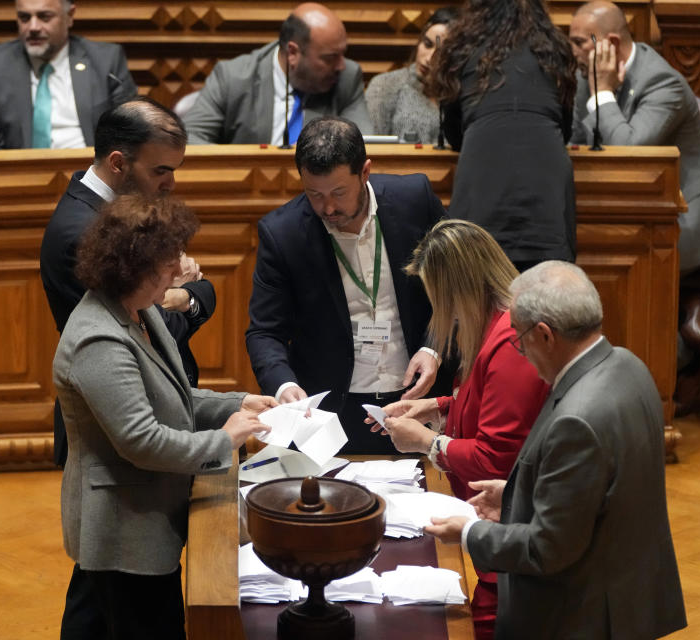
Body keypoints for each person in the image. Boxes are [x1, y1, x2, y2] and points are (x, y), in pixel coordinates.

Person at [425, 261, 687, 639]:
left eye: (519, 338)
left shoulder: (577, 420)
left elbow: (547, 549)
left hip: (580, 616)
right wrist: (516, 495)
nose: (519, 351)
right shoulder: (629, 366)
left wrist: (470, 532)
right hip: (627, 595)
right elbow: (601, 494)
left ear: (545, 335)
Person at [54, 193, 274, 640]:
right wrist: (224, 441)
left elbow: (173, 396)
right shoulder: (98, 338)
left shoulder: (139, 312)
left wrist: (238, 404)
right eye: (167, 262)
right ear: (132, 268)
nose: (179, 271)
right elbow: (141, 439)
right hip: (123, 532)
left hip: (147, 517)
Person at [371, 220, 548, 640]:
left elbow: (495, 460)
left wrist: (428, 443)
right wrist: (435, 406)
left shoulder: (509, 342)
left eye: (440, 297)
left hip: (508, 540)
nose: (440, 312)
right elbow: (487, 406)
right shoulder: (493, 326)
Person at [246, 116, 451, 455]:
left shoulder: (414, 200)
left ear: (365, 171)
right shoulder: (282, 234)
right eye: (314, 194)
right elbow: (264, 332)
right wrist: (284, 385)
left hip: (418, 406)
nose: (327, 207)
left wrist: (434, 347)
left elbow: (459, 287)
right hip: (333, 416)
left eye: (339, 193)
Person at [568, 0, 700, 414]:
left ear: (610, 43)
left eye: (577, 43)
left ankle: (669, 361)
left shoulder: (664, 84)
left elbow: (627, 153)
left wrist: (603, 92)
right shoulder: (587, 72)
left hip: (686, 218)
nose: (570, 51)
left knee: (624, 261)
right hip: (629, 205)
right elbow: (578, 134)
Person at [41, 97, 216, 466]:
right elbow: (156, 329)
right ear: (118, 162)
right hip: (116, 429)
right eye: (160, 171)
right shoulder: (84, 233)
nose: (171, 183)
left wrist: (179, 296)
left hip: (148, 406)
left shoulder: (116, 215)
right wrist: (188, 297)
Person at [433, 0, 577, 272]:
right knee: (545, 295)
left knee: (479, 294)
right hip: (546, 190)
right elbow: (565, 128)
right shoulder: (555, 48)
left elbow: (453, 132)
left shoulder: (462, 50)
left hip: (483, 181)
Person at [183, 2, 372, 145]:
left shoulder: (347, 78)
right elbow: (191, 137)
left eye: (342, 54)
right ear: (293, 53)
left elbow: (365, 144)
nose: (341, 65)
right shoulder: (232, 77)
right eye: (330, 57)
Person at [0, 0, 137, 150]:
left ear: (69, 16)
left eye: (44, 17)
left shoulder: (106, 60)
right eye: (24, 18)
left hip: (92, 175)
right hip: (20, 174)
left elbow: (129, 132)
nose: (33, 27)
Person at [365, 7, 459, 144]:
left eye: (442, 53)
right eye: (427, 44)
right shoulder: (385, 85)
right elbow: (369, 150)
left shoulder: (462, 95)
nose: (429, 58)